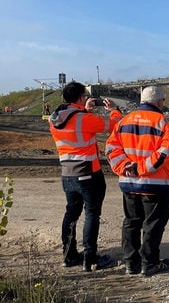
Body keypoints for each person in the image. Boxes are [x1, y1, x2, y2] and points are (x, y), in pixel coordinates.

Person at [105, 86, 169, 277]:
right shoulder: (166, 123)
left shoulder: (123, 121)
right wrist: (140, 168)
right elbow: (164, 153)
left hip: (129, 182)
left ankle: (131, 264)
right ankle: (150, 264)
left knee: (131, 222)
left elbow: (111, 148)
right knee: (153, 225)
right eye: (163, 102)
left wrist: (125, 167)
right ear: (159, 102)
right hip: (157, 184)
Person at [49, 81, 122, 271]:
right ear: (81, 97)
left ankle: (69, 255)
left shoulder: (54, 118)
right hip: (88, 173)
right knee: (92, 214)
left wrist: (85, 111)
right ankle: (90, 259)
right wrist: (114, 109)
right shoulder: (82, 118)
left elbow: (77, 130)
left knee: (71, 213)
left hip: (67, 174)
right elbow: (113, 125)